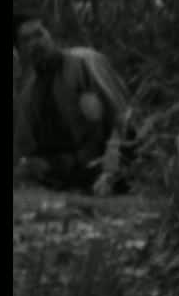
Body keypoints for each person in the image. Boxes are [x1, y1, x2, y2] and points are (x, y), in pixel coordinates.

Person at [13, 11, 136, 196]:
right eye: (26, 40)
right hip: (71, 176)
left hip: (112, 167)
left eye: (39, 34)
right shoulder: (29, 94)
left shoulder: (85, 63)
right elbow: (28, 150)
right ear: (20, 50)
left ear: (49, 34)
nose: (35, 43)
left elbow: (122, 118)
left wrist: (111, 171)